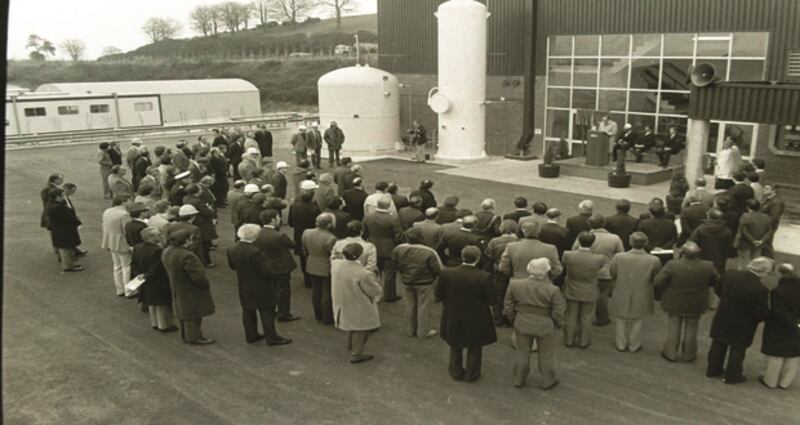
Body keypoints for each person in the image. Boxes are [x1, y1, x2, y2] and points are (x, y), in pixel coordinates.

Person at [707, 257, 773, 384]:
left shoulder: (730, 274)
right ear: (763, 271)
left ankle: (712, 370)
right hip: (744, 324)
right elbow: (761, 312)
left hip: (723, 316)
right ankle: (732, 376)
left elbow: (718, 288)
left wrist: (725, 301)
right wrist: (756, 319)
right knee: (737, 350)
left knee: (718, 344)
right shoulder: (761, 289)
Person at [437, 246, 497, 382]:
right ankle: (472, 374)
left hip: (453, 313)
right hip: (476, 316)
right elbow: (492, 300)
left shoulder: (447, 273)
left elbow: (439, 294)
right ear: (478, 258)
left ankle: (455, 371)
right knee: (475, 346)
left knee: (454, 343)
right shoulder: (484, 277)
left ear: (462, 256)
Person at [504, 258, 566, 389]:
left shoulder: (515, 285)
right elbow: (557, 312)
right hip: (544, 324)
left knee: (522, 351)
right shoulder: (553, 290)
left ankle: (518, 378)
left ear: (529, 269)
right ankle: (548, 380)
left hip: (522, 321)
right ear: (546, 271)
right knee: (546, 354)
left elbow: (508, 305)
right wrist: (558, 324)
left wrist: (513, 318)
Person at [653, 242, 720, 362]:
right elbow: (717, 281)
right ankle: (689, 355)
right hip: (697, 302)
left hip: (674, 300)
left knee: (674, 327)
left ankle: (670, 353)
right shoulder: (708, 265)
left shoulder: (672, 265)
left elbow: (658, 282)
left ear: (682, 253)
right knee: (692, 328)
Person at [227, 224, 292, 346]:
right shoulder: (255, 252)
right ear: (254, 236)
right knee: (267, 311)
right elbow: (267, 272)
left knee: (248, 310)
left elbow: (232, 266)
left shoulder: (232, 248)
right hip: (261, 286)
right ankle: (272, 337)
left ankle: (251, 335)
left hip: (244, 284)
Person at [609, 232, 662, 352]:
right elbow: (656, 277)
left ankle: (620, 344)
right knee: (638, 319)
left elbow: (613, 273)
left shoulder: (619, 257)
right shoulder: (654, 260)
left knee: (620, 318)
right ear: (646, 243)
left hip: (622, 288)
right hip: (642, 290)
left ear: (630, 242)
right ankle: (634, 345)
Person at [161, 229, 216, 345]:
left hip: (177, 285)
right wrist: (205, 284)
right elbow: (198, 276)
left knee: (183, 312)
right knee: (194, 313)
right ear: (186, 240)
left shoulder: (167, 251)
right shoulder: (187, 255)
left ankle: (186, 335)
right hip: (191, 287)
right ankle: (194, 337)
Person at [331, 243, 383, 363]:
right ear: (360, 255)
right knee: (362, 329)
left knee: (349, 324)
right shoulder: (363, 273)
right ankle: (357, 354)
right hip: (359, 304)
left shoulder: (336, 265)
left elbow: (333, 257)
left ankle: (349, 344)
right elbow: (374, 291)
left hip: (342, 300)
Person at [574, 215, 624, 327]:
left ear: (589, 224)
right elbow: (620, 255)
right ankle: (602, 318)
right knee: (603, 296)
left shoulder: (583, 236)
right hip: (606, 271)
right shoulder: (615, 238)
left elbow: (575, 250)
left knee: (583, 293)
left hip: (586, 269)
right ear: (604, 223)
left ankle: (580, 317)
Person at [393, 227, 442, 338]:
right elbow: (437, 270)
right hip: (425, 282)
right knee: (423, 307)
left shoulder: (398, 249)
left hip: (406, 281)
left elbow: (395, 264)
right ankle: (423, 332)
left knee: (410, 305)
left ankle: (410, 330)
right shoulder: (429, 251)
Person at [255, 209, 300, 322]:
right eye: (278, 218)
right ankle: (284, 313)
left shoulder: (257, 233)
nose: (279, 220)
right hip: (282, 267)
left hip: (267, 265)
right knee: (283, 291)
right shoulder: (279, 235)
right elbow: (293, 245)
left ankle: (272, 309)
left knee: (271, 289)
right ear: (272, 220)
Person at [760, 264, 800, 389]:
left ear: (780, 274)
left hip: (778, 327)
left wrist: (791, 322)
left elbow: (778, 311)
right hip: (797, 327)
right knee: (793, 355)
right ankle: (785, 382)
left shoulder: (777, 291)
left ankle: (770, 381)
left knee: (775, 355)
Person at [562, 232, 604, 347]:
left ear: (579, 241)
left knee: (571, 315)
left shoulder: (568, 255)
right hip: (589, 289)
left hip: (572, 288)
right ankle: (584, 342)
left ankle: (569, 340)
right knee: (586, 316)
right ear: (593, 243)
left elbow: (564, 264)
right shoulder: (599, 258)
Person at [132, 227, 176, 332]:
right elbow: (157, 267)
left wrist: (140, 275)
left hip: (144, 279)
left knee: (151, 302)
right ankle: (164, 325)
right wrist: (147, 275)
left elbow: (134, 264)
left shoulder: (137, 247)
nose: (160, 236)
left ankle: (155, 323)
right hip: (158, 280)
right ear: (151, 237)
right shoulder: (157, 251)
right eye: (158, 235)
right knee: (162, 303)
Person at [363, 196, 404, 302]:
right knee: (390, 273)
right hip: (389, 248)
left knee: (375, 272)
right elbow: (398, 235)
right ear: (388, 206)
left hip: (373, 245)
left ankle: (375, 293)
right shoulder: (392, 218)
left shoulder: (368, 217)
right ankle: (389, 295)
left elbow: (364, 232)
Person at [302, 213, 338, 324]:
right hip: (325, 266)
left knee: (316, 291)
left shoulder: (307, 232)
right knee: (326, 292)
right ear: (329, 224)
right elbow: (332, 254)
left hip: (312, 263)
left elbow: (305, 249)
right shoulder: (331, 238)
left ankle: (318, 314)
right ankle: (327, 317)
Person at [499, 222, 563, 280]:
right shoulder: (550, 249)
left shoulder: (511, 246)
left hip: (517, 282)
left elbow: (503, 267)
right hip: (541, 283)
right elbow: (557, 270)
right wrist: (546, 278)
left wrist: (515, 275)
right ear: (539, 232)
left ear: (523, 232)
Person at [484, 220, 518, 326]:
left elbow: (488, 255)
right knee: (513, 296)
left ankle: (497, 318)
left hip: (499, 271)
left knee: (499, 295)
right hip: (514, 271)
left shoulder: (494, 241)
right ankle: (510, 318)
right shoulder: (518, 241)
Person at [288, 191, 321, 289]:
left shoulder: (293, 207)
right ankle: (314, 278)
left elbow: (290, 222)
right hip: (312, 235)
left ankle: (307, 280)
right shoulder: (315, 208)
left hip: (299, 234)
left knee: (303, 257)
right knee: (313, 255)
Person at [101, 195, 133, 296]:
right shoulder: (124, 214)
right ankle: (129, 290)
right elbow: (127, 230)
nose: (131, 202)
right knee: (126, 267)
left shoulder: (107, 211)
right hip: (122, 242)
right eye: (130, 200)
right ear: (124, 201)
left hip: (110, 241)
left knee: (117, 266)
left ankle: (119, 289)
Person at [47, 189, 84, 272]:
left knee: (67, 247)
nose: (64, 197)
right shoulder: (58, 208)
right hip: (64, 230)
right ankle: (68, 266)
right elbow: (68, 217)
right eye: (62, 195)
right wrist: (77, 221)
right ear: (57, 197)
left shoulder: (53, 206)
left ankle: (70, 263)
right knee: (66, 249)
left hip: (61, 230)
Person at [183, 184, 218, 267]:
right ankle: (206, 261)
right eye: (200, 189)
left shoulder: (185, 198)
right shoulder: (197, 201)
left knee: (203, 243)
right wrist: (210, 209)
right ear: (196, 192)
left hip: (196, 222)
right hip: (202, 224)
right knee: (204, 245)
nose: (201, 190)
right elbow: (209, 213)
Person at [735, 199, 773, 269]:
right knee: (755, 262)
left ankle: (743, 274)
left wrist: (753, 241)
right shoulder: (766, 217)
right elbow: (769, 231)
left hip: (745, 243)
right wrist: (761, 240)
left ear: (748, 207)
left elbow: (743, 231)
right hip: (759, 243)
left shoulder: (745, 216)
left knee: (744, 261)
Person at [761, 184, 785, 258]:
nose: (764, 190)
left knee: (766, 243)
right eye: (764, 188)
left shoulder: (776, 202)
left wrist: (765, 224)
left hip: (769, 225)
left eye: (767, 188)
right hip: (766, 224)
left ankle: (770, 259)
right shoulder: (770, 199)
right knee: (764, 244)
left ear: (774, 190)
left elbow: (774, 217)